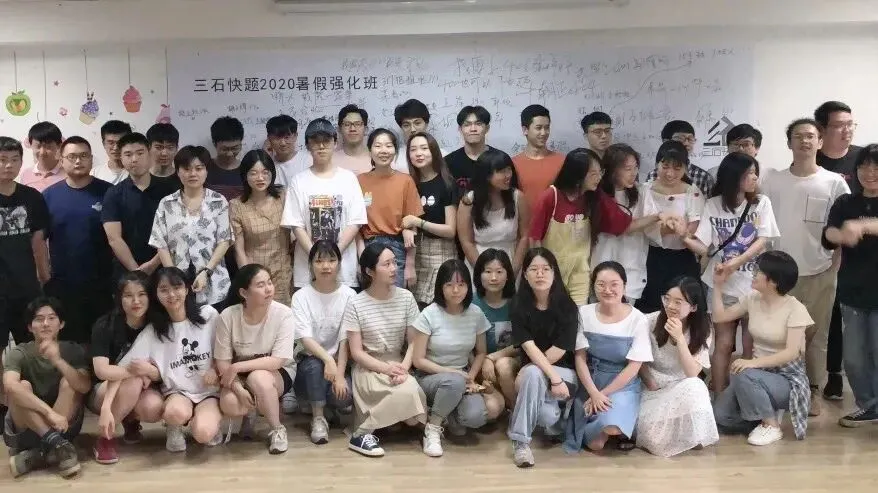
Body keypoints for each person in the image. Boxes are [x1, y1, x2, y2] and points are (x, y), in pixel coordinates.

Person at [760, 118, 849, 416]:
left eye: (811, 136)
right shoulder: (772, 181)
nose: (805, 141)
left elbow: (840, 227)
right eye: (798, 136)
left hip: (820, 271)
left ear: (820, 142)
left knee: (816, 336)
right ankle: (780, 390)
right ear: (789, 143)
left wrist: (834, 265)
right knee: (777, 335)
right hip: (779, 274)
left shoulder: (834, 182)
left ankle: (812, 390)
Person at [683, 152, 779, 392]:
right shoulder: (713, 204)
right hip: (722, 286)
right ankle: (720, 396)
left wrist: (737, 262)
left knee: (751, 346)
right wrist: (683, 237)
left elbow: (763, 240)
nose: (754, 178)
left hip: (754, 286)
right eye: (749, 173)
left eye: (755, 173)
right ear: (734, 176)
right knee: (723, 345)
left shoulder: (761, 203)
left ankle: (747, 395)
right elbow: (705, 247)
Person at [712, 251, 813, 446]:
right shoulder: (752, 299)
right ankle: (760, 414)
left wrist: (753, 363)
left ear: (773, 281)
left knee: (744, 372)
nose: (753, 273)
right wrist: (718, 285)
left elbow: (791, 353)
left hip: (787, 379)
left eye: (758, 271)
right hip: (756, 375)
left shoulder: (795, 309)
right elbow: (719, 317)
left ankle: (771, 425)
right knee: (721, 416)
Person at [119, 267, 223, 452]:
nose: (172, 295)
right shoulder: (153, 331)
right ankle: (174, 426)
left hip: (209, 392)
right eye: (164, 290)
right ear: (156, 294)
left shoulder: (209, 315)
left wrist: (215, 368)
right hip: (177, 393)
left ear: (187, 289)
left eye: (177, 287)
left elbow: (225, 349)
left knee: (203, 434)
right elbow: (124, 365)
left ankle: (205, 422)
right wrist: (147, 372)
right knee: (175, 412)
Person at [412, 259, 505, 457]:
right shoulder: (429, 314)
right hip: (429, 378)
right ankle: (433, 429)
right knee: (454, 382)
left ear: (468, 286)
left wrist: (470, 376)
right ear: (441, 287)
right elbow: (418, 360)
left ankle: (444, 414)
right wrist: (453, 373)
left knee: (475, 417)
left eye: (461, 284)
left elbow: (481, 352)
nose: (456, 290)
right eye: (449, 284)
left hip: (462, 379)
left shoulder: (475, 313)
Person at [343, 242, 427, 457]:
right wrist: (385, 369)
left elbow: (414, 342)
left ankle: (366, 430)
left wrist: (403, 368)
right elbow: (357, 352)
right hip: (369, 367)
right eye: (386, 264)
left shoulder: (406, 297)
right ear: (370, 271)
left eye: (395, 263)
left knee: (412, 408)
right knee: (409, 398)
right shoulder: (356, 303)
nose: (393, 269)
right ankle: (362, 434)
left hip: (399, 364)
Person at [565, 262, 653, 453]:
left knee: (611, 428)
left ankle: (619, 425)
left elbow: (634, 366)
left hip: (622, 384)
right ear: (593, 286)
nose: (608, 290)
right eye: (601, 284)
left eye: (614, 284)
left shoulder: (638, 318)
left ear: (624, 286)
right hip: (591, 381)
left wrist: (603, 394)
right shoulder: (583, 313)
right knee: (595, 445)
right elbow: (580, 358)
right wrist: (594, 393)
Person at [529, 148, 632, 304]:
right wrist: (540, 270)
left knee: (579, 313)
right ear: (577, 175)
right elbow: (534, 238)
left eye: (600, 172)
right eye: (593, 174)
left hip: (580, 271)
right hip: (551, 271)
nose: (598, 178)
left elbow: (621, 223)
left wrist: (656, 218)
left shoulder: (593, 197)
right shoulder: (551, 196)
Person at [507, 248, 579, 468]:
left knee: (532, 372)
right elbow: (528, 346)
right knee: (546, 414)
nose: (540, 274)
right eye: (534, 269)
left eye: (545, 269)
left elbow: (559, 351)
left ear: (554, 273)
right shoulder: (518, 305)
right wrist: (546, 375)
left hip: (565, 375)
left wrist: (554, 378)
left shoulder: (568, 306)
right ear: (525, 274)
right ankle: (521, 443)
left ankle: (529, 433)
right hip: (537, 375)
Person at [822, 144, 878, 426]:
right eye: (864, 166)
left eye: (876, 167)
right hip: (852, 291)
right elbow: (828, 234)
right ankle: (869, 406)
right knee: (854, 357)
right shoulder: (846, 203)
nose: (870, 172)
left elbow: (867, 226)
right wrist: (839, 234)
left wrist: (864, 226)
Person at [3, 297, 89, 478]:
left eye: (51, 318)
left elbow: (84, 386)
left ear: (61, 323)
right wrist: (49, 413)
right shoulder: (19, 352)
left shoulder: (73, 350)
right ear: (29, 327)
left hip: (64, 424)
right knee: (21, 386)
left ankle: (40, 453)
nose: (45, 324)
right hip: (27, 427)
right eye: (39, 319)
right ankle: (57, 445)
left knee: (70, 382)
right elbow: (9, 386)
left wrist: (58, 361)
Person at [214, 264, 296, 454]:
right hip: (239, 375)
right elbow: (223, 362)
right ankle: (250, 412)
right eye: (260, 285)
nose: (268, 289)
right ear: (244, 292)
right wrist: (238, 388)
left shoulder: (284, 314)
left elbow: (277, 360)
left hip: (277, 371)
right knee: (230, 403)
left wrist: (237, 367)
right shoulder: (228, 316)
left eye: (269, 282)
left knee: (259, 378)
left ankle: (277, 429)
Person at [281, 118, 367, 292]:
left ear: (335, 143)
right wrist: (317, 258)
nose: (321, 146)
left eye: (326, 141)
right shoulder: (298, 181)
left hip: (343, 270)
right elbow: (296, 225)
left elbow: (356, 222)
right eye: (315, 141)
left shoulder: (348, 178)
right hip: (308, 271)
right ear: (307, 145)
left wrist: (333, 256)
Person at [636, 276, 718, 457]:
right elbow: (637, 360)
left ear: (693, 307)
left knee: (696, 386)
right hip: (652, 387)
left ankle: (690, 435)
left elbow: (692, 373)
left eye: (678, 302)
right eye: (667, 299)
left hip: (680, 387)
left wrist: (680, 338)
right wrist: (650, 383)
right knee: (653, 438)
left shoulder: (703, 329)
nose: (670, 306)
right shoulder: (649, 321)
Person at [43, 136, 114, 343]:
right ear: (61, 160)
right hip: (63, 284)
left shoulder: (109, 192)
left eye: (83, 156)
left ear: (91, 159)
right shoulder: (49, 196)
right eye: (72, 156)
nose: (78, 161)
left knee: (103, 341)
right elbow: (39, 240)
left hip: (102, 282)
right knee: (69, 344)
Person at [89, 271, 164, 464]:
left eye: (141, 294)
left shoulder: (157, 325)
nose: (136, 301)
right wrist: (136, 371)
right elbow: (102, 371)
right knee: (134, 379)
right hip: (102, 390)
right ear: (119, 298)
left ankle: (130, 420)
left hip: (143, 388)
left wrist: (149, 372)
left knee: (153, 407)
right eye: (128, 295)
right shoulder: (105, 325)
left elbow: (163, 371)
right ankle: (105, 438)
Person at [814, 101, 861, 402]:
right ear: (822, 130)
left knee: (856, 317)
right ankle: (830, 374)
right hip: (821, 249)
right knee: (826, 316)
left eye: (850, 124)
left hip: (860, 253)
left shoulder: (863, 159)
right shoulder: (813, 160)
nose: (847, 131)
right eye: (839, 125)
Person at [150, 146, 233, 307]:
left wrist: (206, 272)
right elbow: (161, 243)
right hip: (177, 284)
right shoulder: (166, 203)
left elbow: (224, 241)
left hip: (214, 280)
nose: (192, 173)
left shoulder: (218, 201)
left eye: (198, 168)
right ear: (178, 171)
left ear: (206, 171)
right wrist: (174, 278)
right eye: (186, 169)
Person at [292, 241, 356, 444]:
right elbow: (305, 339)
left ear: (340, 263)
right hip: (309, 362)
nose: (326, 266)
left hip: (338, 363)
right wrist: (328, 359)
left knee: (344, 397)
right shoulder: (301, 296)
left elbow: (346, 339)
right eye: (319, 261)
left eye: (331, 260)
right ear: (310, 265)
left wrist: (340, 374)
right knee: (314, 366)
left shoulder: (350, 295)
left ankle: (324, 405)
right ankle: (318, 417)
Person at [592, 144, 669, 305]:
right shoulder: (598, 194)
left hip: (632, 267)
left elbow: (654, 231)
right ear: (612, 170)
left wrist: (671, 224)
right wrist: (657, 216)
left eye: (635, 167)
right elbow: (623, 227)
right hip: (601, 262)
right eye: (627, 169)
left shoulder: (642, 192)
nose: (633, 173)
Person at [637, 140, 705, 314]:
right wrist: (673, 228)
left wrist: (677, 230)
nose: (670, 173)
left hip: (683, 258)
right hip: (651, 257)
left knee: (685, 307)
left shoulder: (692, 191)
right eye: (665, 166)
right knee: (651, 307)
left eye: (677, 168)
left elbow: (693, 230)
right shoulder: (644, 190)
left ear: (685, 168)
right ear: (657, 164)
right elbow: (642, 226)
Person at [102, 132, 177, 279]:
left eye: (140, 153)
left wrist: (153, 264)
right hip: (127, 271)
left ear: (149, 154)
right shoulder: (114, 194)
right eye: (128, 154)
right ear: (121, 158)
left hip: (164, 266)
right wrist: (137, 272)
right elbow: (114, 239)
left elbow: (175, 230)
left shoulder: (169, 190)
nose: (134, 159)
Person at [358, 128, 423, 289]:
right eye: (378, 146)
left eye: (388, 146)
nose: (383, 150)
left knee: (395, 297)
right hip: (368, 247)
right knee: (370, 298)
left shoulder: (405, 181)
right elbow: (355, 225)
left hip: (396, 248)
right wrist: (360, 257)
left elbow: (412, 225)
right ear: (370, 150)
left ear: (395, 150)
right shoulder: (359, 181)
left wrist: (410, 265)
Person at [0, 136, 50, 348]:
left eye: (14, 159)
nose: (8, 165)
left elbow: (38, 241)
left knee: (31, 346)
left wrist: (44, 276)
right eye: (2, 159)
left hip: (26, 287)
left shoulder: (32, 197)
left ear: (22, 162)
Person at [229, 150, 292, 304]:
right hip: (255, 273)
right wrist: (248, 279)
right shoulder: (237, 205)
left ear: (272, 173)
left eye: (265, 172)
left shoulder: (283, 196)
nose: (260, 178)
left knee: (283, 314)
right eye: (253, 173)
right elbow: (239, 250)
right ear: (245, 176)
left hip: (283, 271)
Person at [404, 132, 459, 306]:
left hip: (441, 251)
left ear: (434, 151)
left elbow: (450, 230)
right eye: (413, 150)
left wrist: (418, 222)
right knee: (416, 306)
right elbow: (405, 221)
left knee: (441, 304)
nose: (418, 153)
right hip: (415, 252)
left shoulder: (446, 183)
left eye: (424, 148)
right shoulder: (409, 183)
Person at [458, 148, 529, 275]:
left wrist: (513, 271)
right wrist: (484, 272)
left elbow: (524, 237)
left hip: (511, 262)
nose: (508, 175)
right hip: (479, 264)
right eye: (501, 171)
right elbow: (466, 242)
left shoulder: (518, 197)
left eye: (509, 169)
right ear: (486, 175)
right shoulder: (469, 201)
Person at [472, 248, 518, 410]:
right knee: (492, 410)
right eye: (488, 271)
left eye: (499, 272)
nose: (493, 277)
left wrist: (491, 358)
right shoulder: (471, 303)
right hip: (479, 365)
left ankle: (517, 410)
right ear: (479, 274)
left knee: (503, 365)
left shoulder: (517, 302)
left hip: (513, 362)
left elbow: (523, 342)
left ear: (508, 275)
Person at [512, 105, 565, 213]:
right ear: (525, 130)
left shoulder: (563, 161)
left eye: (547, 127)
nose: (544, 133)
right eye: (538, 128)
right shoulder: (512, 164)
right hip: (525, 222)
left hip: (555, 222)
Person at [645, 120, 715, 197]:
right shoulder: (653, 175)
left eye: (690, 139)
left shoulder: (703, 177)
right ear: (666, 142)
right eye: (680, 138)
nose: (686, 143)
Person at [445, 106, 495, 191]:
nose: (473, 129)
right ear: (460, 129)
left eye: (478, 124)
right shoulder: (448, 162)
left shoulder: (500, 159)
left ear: (487, 128)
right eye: (467, 125)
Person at [393, 99, 449, 173]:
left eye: (417, 123)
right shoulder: (395, 159)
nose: (412, 129)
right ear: (401, 128)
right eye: (406, 125)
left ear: (426, 124)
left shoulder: (443, 155)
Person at [16, 122, 65, 192]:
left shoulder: (68, 174)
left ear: (59, 145)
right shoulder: (26, 174)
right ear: (31, 145)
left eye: (48, 147)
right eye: (38, 146)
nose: (42, 152)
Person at [206, 116, 246, 201]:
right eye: (224, 149)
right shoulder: (204, 168)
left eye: (235, 148)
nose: (230, 154)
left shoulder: (247, 169)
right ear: (214, 144)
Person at [265, 114, 312, 187]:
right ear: (269, 139)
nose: (283, 143)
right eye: (277, 138)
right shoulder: (267, 166)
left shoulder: (309, 161)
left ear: (295, 136)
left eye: (287, 137)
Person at [334, 104, 372, 175]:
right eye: (347, 124)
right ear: (339, 129)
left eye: (357, 124)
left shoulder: (377, 159)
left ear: (366, 129)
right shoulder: (329, 160)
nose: (352, 129)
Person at [92, 120, 133, 185]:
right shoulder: (95, 173)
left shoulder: (138, 171)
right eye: (111, 143)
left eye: (121, 142)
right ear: (104, 144)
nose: (116, 148)